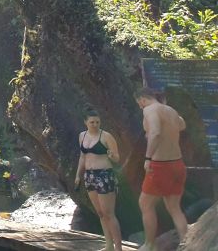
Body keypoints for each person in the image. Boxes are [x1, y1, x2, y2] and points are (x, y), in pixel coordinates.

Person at [135, 87, 188, 251]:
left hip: (161, 165)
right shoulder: (170, 110)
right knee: (174, 208)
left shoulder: (150, 110)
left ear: (143, 99)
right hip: (177, 164)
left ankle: (150, 245)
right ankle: (189, 244)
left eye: (139, 103)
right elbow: (182, 125)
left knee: (145, 204)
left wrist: (148, 158)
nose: (140, 107)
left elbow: (156, 133)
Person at [74, 108, 123, 251]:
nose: (95, 124)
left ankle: (118, 248)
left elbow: (117, 158)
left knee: (109, 213)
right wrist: (78, 175)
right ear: (85, 122)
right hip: (89, 176)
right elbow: (82, 156)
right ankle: (109, 245)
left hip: (104, 175)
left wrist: (111, 155)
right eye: (92, 122)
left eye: (97, 122)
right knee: (101, 213)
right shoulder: (82, 136)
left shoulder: (106, 136)